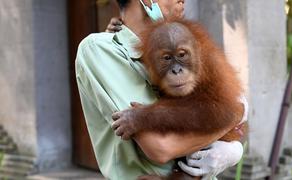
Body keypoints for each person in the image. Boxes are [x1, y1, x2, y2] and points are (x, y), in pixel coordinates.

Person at [75, 0, 248, 179]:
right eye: (167, 59)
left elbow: (221, 108)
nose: (183, 1)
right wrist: (237, 114)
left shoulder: (199, 48)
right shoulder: (102, 49)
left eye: (182, 56)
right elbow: (161, 149)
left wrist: (146, 115)